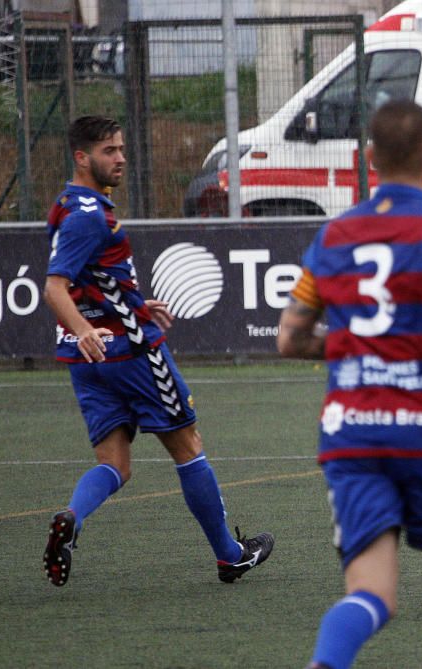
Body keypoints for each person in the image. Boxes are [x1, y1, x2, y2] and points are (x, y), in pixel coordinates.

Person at [277, 100, 422, 669]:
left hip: (352, 433)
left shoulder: (334, 235)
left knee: (370, 595)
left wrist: (358, 346)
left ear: (369, 160)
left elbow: (290, 338)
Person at [42, 116, 274, 587]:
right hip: (130, 352)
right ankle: (230, 555)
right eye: (109, 150)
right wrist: (90, 325)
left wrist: (124, 304)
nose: (121, 157)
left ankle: (72, 517)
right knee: (188, 446)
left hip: (89, 361)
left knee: (115, 463)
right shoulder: (90, 215)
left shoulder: (69, 204)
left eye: (122, 148)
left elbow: (86, 279)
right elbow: (54, 288)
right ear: (82, 157)